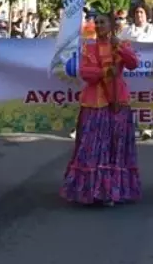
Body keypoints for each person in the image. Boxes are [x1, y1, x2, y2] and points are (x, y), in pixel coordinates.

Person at [60, 11, 141, 205]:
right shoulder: (88, 48)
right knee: (92, 146)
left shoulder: (121, 45)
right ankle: (91, 189)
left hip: (117, 101)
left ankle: (113, 190)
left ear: (112, 25)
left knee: (116, 146)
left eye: (102, 22)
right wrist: (105, 71)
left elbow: (133, 63)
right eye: (96, 22)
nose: (98, 25)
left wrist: (119, 48)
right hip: (94, 102)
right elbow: (85, 72)